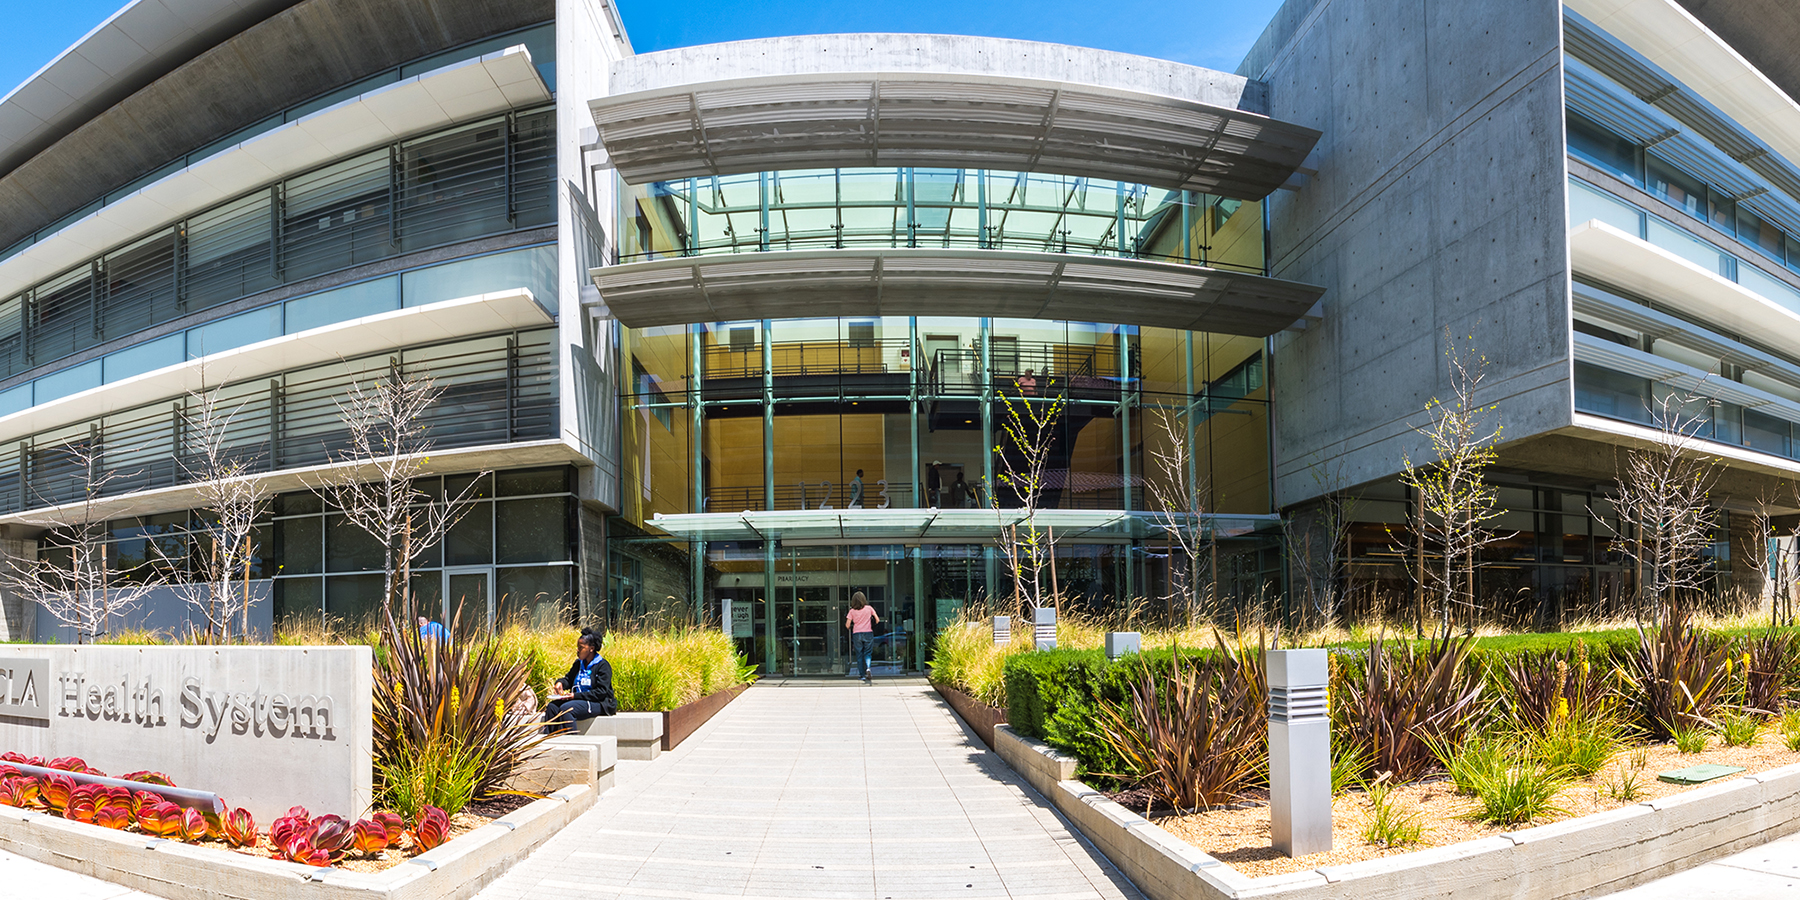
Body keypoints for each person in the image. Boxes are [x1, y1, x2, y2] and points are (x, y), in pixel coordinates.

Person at [544, 628, 617, 734]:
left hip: (599, 703)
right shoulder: (578, 664)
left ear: (591, 649)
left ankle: (574, 744)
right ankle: (550, 741)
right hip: (579, 700)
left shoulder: (602, 666)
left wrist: (575, 696)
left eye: (581, 648)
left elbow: (601, 692)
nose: (577, 650)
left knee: (567, 709)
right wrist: (561, 683)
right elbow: (569, 679)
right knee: (552, 707)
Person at [844, 591, 880, 683]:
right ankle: (868, 667)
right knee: (867, 653)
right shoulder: (869, 608)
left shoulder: (852, 611)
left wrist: (852, 625)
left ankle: (862, 675)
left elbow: (847, 625)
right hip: (868, 632)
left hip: (857, 633)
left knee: (859, 654)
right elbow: (877, 619)